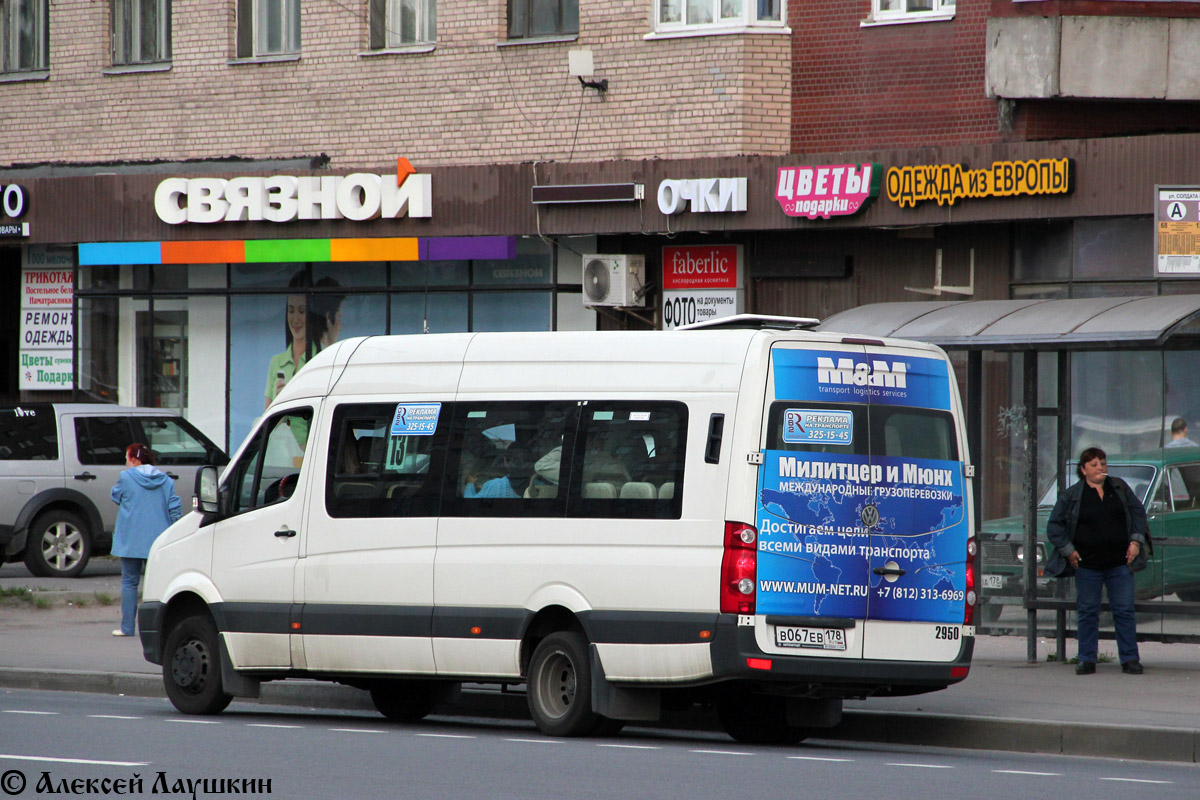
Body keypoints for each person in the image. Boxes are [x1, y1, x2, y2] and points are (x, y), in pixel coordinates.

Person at [1045, 447, 1149, 675]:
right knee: (1088, 612)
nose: (1100, 468)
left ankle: (1130, 659)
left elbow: (1138, 513)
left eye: (1102, 463)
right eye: (1093, 464)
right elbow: (1054, 526)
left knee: (1123, 611)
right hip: (1087, 565)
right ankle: (1087, 659)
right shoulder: (1073, 495)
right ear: (1083, 470)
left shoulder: (1119, 488)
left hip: (1119, 563)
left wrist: (1136, 542)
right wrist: (1069, 550)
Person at [110, 443, 182, 637]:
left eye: (126, 458)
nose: (125, 462)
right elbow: (174, 507)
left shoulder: (126, 477)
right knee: (159, 584)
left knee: (129, 582)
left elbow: (116, 496)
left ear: (134, 459)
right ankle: (159, 629)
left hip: (131, 540)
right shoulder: (166, 480)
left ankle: (127, 627)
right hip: (158, 540)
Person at [264, 273, 345, 410]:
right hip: (281, 429)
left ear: (311, 315)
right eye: (291, 311)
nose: (295, 319)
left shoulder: (321, 358)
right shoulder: (276, 362)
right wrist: (278, 403)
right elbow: (266, 415)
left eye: (302, 311)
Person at [464, 444, 532, 499]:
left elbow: (470, 504)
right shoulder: (539, 485)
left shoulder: (493, 486)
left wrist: (470, 484)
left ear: (505, 461)